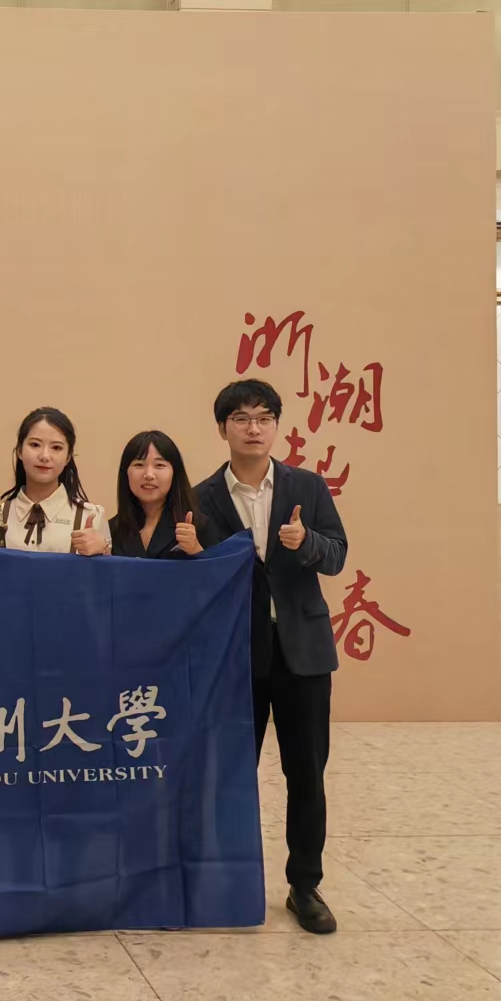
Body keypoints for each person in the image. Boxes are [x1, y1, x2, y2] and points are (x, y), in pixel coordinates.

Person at [195, 378, 348, 936]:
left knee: (306, 773)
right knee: (231, 774)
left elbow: (337, 555)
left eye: (263, 418)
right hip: (236, 656)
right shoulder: (202, 496)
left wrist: (305, 544)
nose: (253, 428)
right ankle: (227, 880)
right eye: (241, 418)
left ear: (277, 426)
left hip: (303, 653)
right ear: (223, 429)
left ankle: (305, 886)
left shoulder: (307, 486)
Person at [0, 407, 107, 554]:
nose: (45, 456)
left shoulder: (92, 515)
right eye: (35, 445)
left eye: (56, 447)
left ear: (68, 457)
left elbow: (109, 567)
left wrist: (104, 549)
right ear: (19, 451)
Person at [109, 430, 218, 559]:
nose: (149, 474)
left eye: (159, 465)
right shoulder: (112, 530)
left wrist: (195, 549)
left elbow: (218, 570)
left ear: (175, 473)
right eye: (139, 465)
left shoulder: (198, 525)